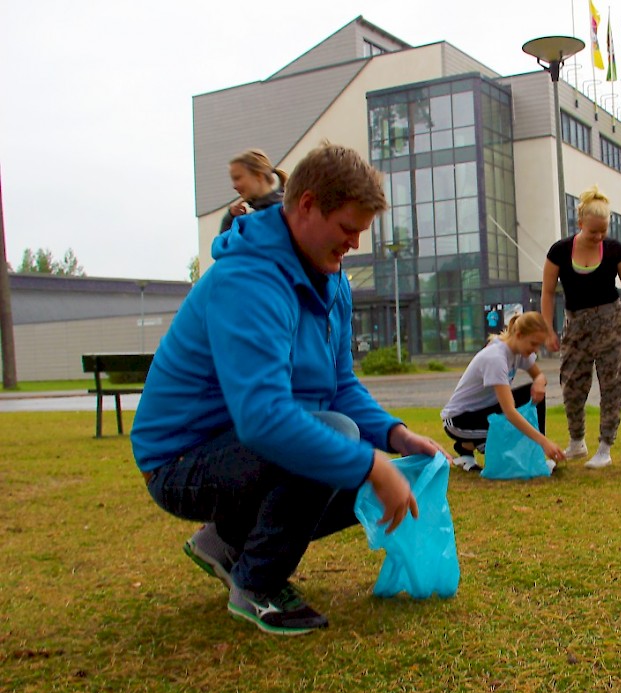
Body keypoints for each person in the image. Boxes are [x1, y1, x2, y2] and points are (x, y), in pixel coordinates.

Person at [131, 144, 449, 636]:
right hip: (179, 463)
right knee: (344, 445)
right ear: (305, 206)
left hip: (240, 448)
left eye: (361, 232)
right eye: (347, 229)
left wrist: (394, 437)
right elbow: (262, 417)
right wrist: (368, 462)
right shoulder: (249, 280)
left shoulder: (330, 277)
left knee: (360, 454)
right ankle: (255, 585)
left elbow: (339, 384)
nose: (354, 244)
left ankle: (225, 542)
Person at [541, 186, 621, 469]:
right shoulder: (560, 251)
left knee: (611, 385)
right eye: (593, 232)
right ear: (580, 224)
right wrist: (548, 330)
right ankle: (577, 442)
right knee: (572, 384)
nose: (599, 236)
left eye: (604, 231)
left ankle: (605, 448)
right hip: (575, 325)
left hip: (611, 323)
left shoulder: (614, 250)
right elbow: (548, 292)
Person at [441, 312, 565, 472]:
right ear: (519, 335)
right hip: (459, 420)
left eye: (539, 346)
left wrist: (539, 382)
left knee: (531, 393)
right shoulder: (496, 358)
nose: (536, 350)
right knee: (511, 433)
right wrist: (544, 441)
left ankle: (534, 455)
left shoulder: (518, 350)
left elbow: (539, 376)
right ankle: (468, 446)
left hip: (483, 412)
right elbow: (510, 412)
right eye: (533, 344)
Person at [219, 148, 288, 234]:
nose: (234, 186)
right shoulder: (249, 220)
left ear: (259, 176)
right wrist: (230, 219)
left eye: (237, 178)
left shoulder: (286, 212)